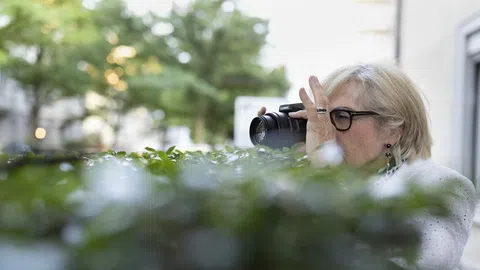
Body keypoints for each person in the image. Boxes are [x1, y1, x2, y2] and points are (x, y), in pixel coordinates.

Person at [257, 62, 477, 269]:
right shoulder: (314, 183)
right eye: (319, 116)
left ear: (392, 130)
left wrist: (326, 175)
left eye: (340, 116)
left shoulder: (444, 186)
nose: (324, 131)